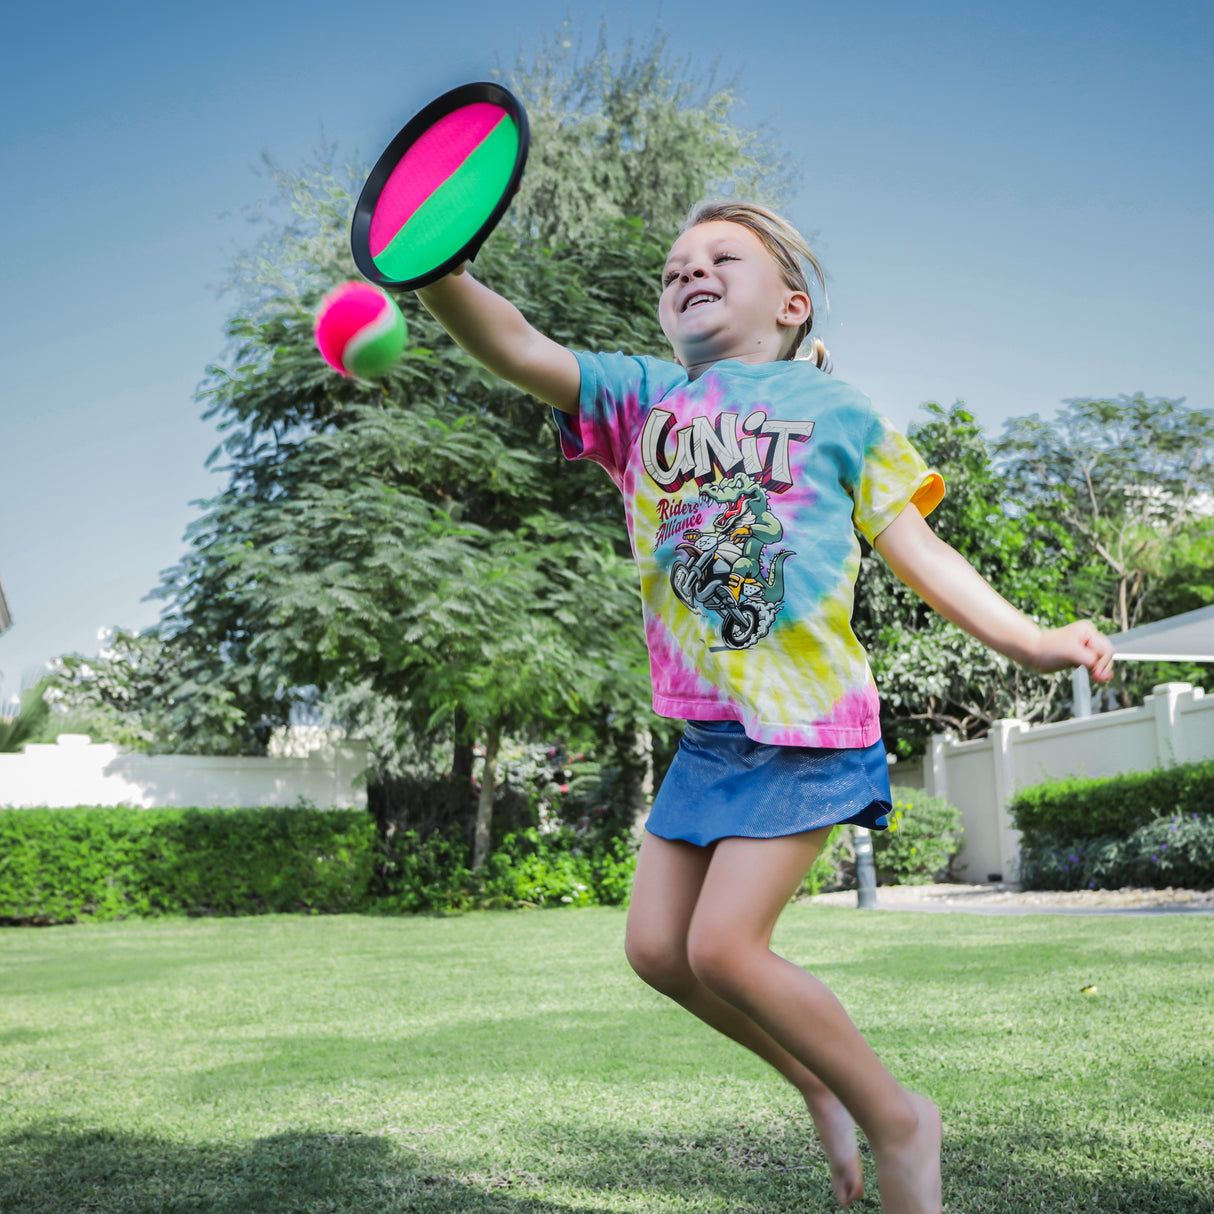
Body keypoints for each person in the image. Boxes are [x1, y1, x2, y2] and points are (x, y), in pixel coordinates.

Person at [417, 199, 1115, 1214]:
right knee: (657, 951)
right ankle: (819, 1084)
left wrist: (1028, 637)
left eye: (718, 258)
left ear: (790, 304)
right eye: (672, 268)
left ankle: (896, 1116)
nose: (687, 271)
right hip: (708, 734)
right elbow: (517, 344)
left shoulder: (840, 414)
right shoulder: (642, 400)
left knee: (721, 947)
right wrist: (436, 271)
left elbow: (923, 557)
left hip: (806, 723)